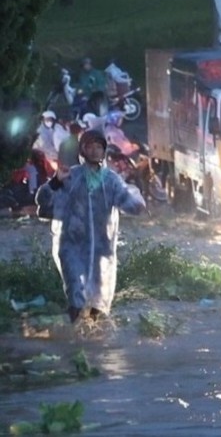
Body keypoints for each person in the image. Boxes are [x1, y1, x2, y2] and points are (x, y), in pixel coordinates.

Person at [42, 129, 146, 323]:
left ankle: (94, 339)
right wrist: (56, 182)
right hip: (71, 244)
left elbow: (127, 201)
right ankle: (75, 335)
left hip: (100, 248)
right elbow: (44, 200)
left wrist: (137, 205)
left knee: (98, 299)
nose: (95, 151)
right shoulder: (70, 177)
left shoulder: (111, 180)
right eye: (90, 146)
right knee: (75, 290)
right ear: (82, 150)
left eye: (99, 146)